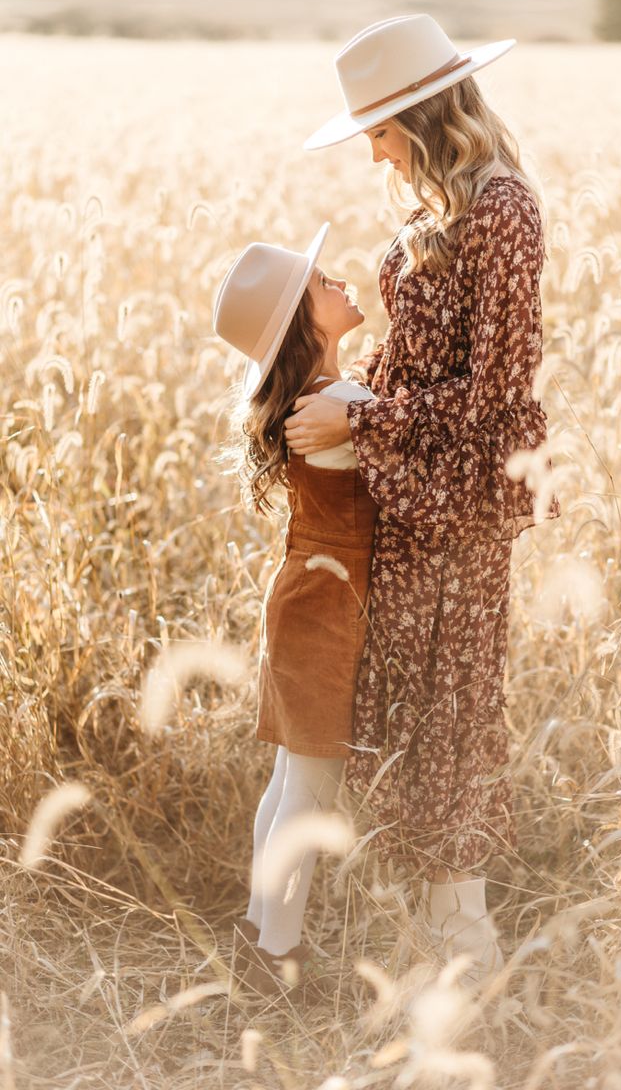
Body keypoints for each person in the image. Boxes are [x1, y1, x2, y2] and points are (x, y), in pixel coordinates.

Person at [285, 14, 562, 984]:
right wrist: (339, 391)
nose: (370, 148)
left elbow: (498, 394)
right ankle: (440, 944)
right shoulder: (436, 206)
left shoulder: (503, 210)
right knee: (413, 712)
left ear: (424, 113)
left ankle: (467, 953)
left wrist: (363, 426)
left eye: (379, 126)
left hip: (463, 503)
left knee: (452, 709)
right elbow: (415, 358)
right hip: (409, 494)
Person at [213, 223, 379, 1000]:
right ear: (303, 325)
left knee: (289, 779)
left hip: (303, 598)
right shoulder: (344, 403)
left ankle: (258, 928)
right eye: (322, 283)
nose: (340, 280)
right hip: (327, 608)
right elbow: (409, 435)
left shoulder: (328, 398)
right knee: (311, 790)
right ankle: (279, 961)